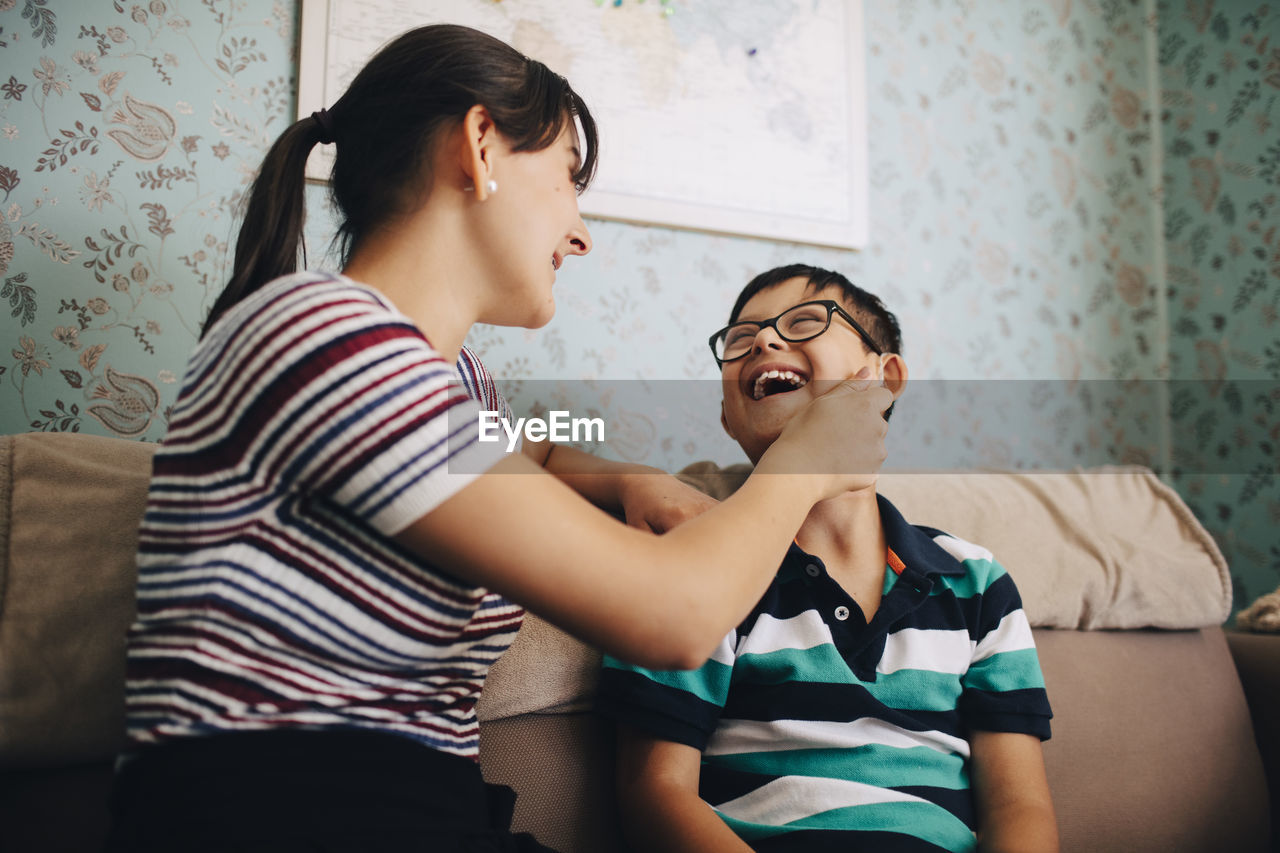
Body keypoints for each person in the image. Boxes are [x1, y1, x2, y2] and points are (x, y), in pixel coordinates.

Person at [102, 26, 895, 853]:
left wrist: (628, 479)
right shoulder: (323, 336)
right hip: (281, 808)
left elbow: (530, 454)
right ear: (480, 146)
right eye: (567, 181)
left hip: (420, 805)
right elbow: (675, 615)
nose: (582, 233)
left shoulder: (448, 381)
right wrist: (805, 461)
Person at [597, 264, 1057, 853]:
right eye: (741, 339)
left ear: (883, 378)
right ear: (726, 416)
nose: (763, 340)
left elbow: (1022, 807)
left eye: (805, 321)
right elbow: (655, 793)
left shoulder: (976, 584)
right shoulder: (694, 568)